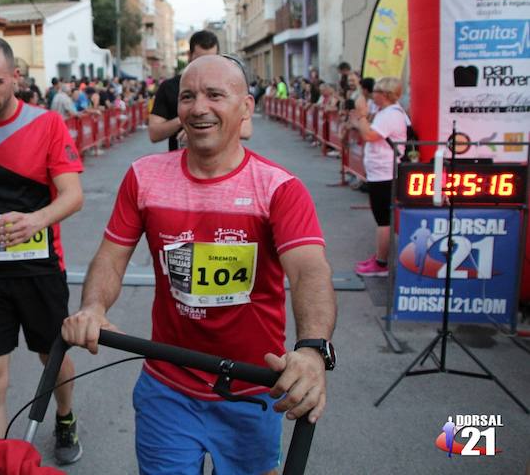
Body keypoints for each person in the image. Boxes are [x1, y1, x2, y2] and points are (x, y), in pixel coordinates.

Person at [62, 54, 337, 475]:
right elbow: (111, 257)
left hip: (251, 390)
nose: (198, 107)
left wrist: (312, 350)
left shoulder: (279, 188)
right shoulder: (144, 177)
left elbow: (308, 272)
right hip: (167, 389)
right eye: (188, 96)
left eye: (214, 95)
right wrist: (94, 307)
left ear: (246, 107)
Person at [0, 37, 84, 464]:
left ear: (15, 78)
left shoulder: (46, 123)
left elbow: (72, 194)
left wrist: (36, 220)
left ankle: (64, 416)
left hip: (40, 268)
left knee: (53, 359)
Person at [348, 77, 409, 276]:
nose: (372, 95)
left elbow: (370, 135)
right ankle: (379, 257)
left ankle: (382, 264)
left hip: (385, 173)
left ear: (385, 95)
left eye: (376, 92)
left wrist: (363, 117)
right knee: (381, 217)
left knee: (382, 219)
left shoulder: (391, 114)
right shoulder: (388, 113)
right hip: (380, 171)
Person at [149, 30, 219, 151]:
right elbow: (154, 134)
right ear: (189, 56)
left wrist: (202, 133)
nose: (206, 65)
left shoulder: (227, 86)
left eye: (211, 60)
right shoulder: (168, 87)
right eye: (200, 59)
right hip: (178, 163)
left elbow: (245, 130)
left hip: (220, 166)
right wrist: (186, 120)